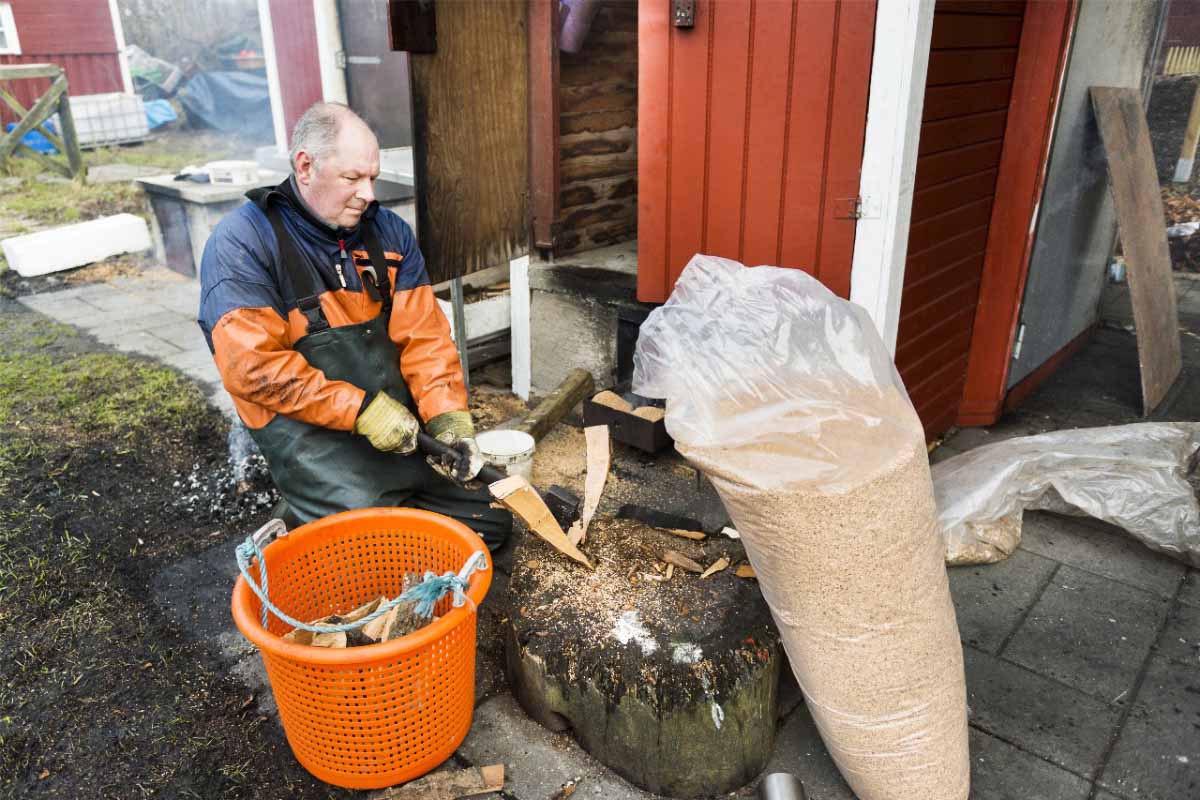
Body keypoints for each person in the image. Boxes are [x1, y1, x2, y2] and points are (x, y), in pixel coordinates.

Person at [198, 102, 511, 550]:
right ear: (305, 166)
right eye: (352, 178)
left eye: (372, 176)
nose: (368, 193)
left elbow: (426, 339)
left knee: (487, 527)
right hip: (309, 436)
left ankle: (387, 507)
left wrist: (448, 421)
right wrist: (360, 411)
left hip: (395, 428)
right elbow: (252, 368)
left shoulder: (388, 233)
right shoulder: (243, 243)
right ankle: (299, 522)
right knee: (381, 550)